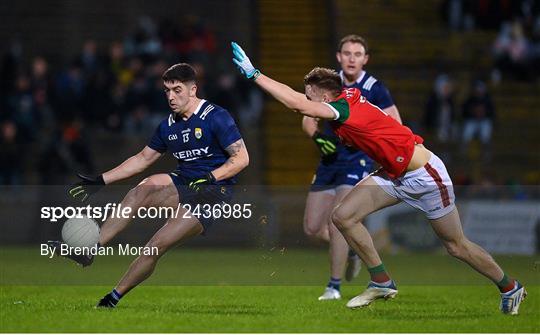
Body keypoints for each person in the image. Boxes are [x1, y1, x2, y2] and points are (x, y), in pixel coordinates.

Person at [231, 42, 526, 315]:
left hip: (425, 175)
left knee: (456, 245)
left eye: (311, 96)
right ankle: (382, 281)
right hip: (394, 174)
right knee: (343, 216)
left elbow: (299, 104)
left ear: (322, 97)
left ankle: (510, 287)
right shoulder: (347, 99)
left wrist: (254, 74)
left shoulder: (341, 107)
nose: (309, 102)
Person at [48, 63, 249, 307]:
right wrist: (101, 179)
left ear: (193, 89)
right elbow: (142, 159)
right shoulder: (168, 126)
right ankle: (90, 249)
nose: (171, 97)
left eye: (177, 90)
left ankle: (113, 297)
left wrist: (211, 177)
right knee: (143, 188)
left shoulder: (216, 116)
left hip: (213, 192)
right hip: (184, 182)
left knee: (155, 245)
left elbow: (241, 158)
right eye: (167, 91)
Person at [302, 35, 402, 300]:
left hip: (356, 159)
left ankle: (333, 286)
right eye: (347, 53)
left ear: (365, 59)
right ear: (339, 57)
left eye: (357, 54)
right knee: (312, 228)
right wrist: (318, 137)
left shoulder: (374, 87)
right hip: (328, 161)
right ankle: (354, 249)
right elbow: (308, 119)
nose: (351, 58)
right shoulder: (329, 84)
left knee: (338, 219)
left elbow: (395, 123)